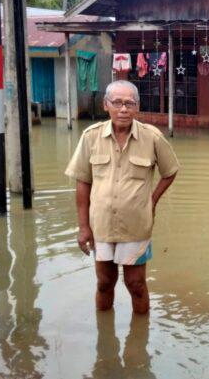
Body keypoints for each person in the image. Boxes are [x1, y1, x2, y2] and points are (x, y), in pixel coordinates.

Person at [66, 80, 180, 314]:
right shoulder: (91, 137)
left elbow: (170, 171)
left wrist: (153, 200)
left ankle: (139, 341)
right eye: (117, 102)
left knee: (136, 285)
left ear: (137, 107)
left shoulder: (152, 137)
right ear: (106, 105)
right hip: (102, 225)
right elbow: (83, 182)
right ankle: (105, 340)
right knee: (104, 283)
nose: (123, 109)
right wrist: (83, 227)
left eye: (129, 103)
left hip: (136, 226)